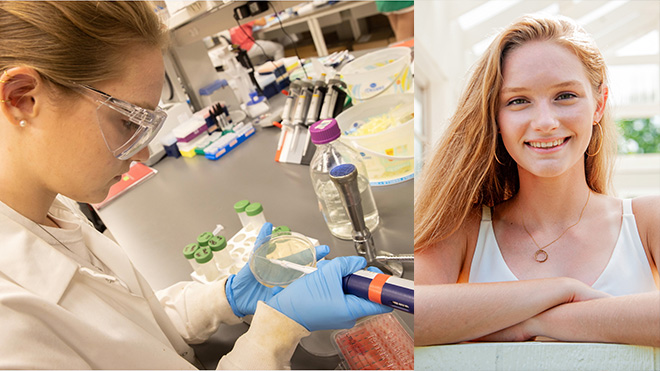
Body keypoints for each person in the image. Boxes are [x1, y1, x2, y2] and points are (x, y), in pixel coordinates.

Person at [0, 2, 390, 369]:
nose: (142, 152)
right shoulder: (10, 325)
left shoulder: (47, 209)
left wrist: (226, 297)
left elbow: (136, 329)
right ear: (22, 98)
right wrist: (275, 332)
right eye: (127, 122)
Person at [414, 14, 659, 347]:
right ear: (495, 117)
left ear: (599, 104)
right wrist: (561, 290)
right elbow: (412, 314)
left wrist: (532, 320)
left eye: (565, 96)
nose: (545, 122)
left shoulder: (646, 222)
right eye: (518, 101)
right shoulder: (464, 229)